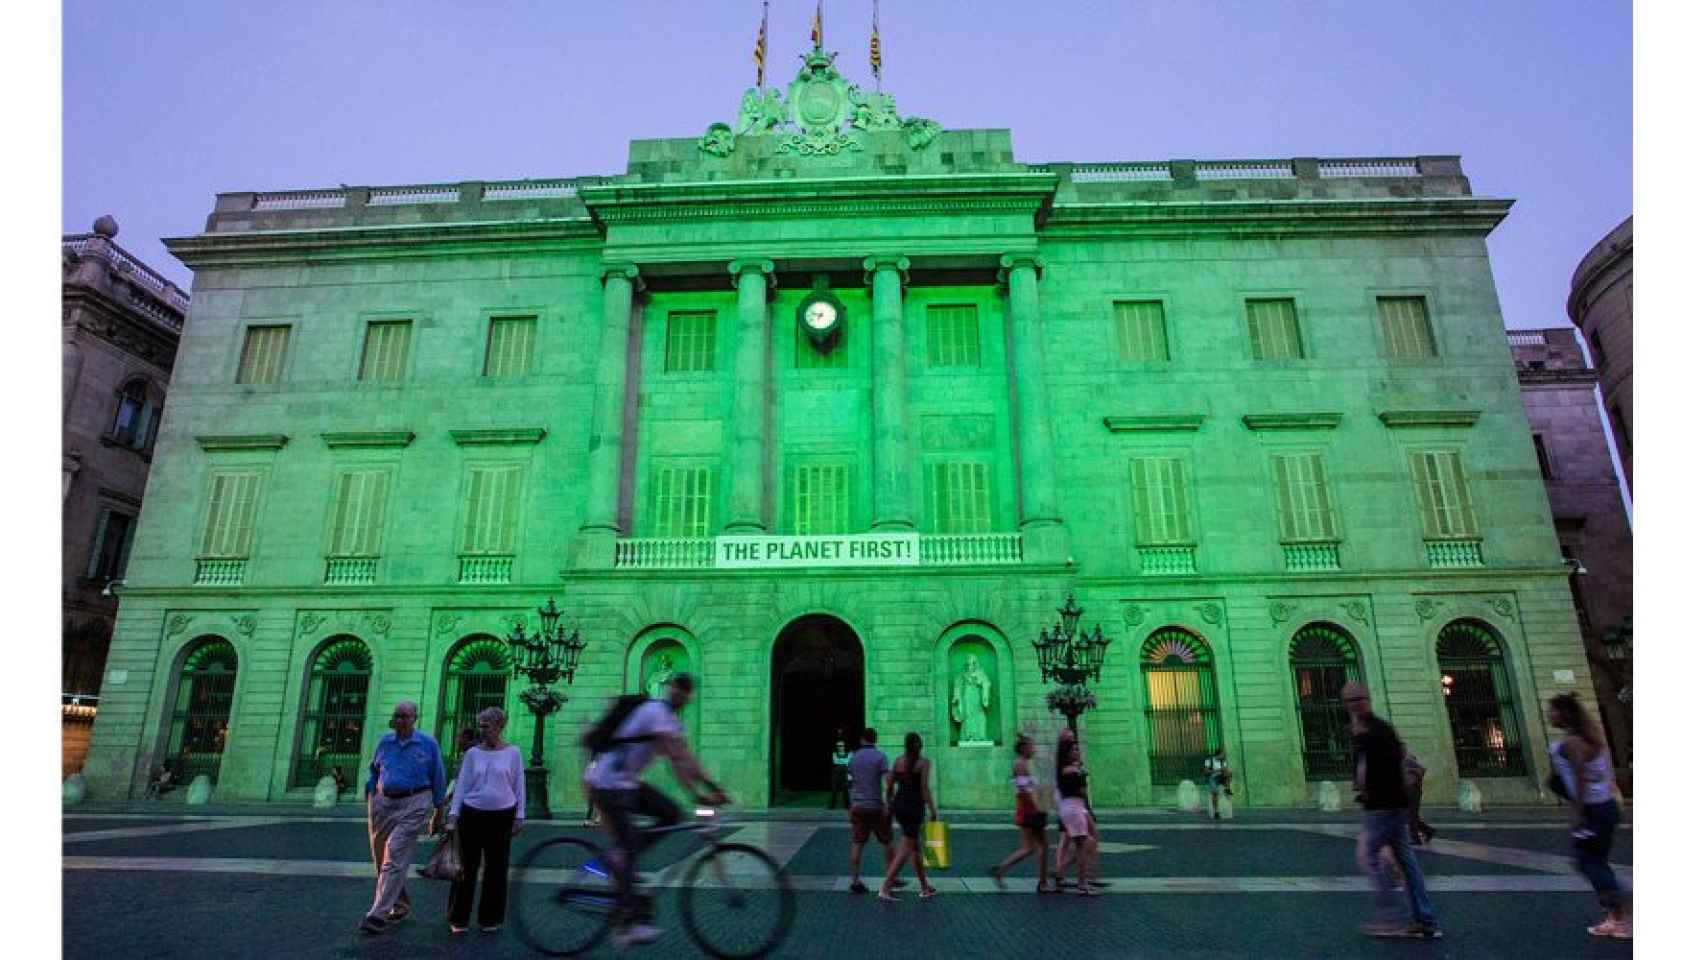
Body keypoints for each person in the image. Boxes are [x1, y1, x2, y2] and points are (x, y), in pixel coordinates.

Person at [585, 674, 728, 948]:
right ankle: (626, 927)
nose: (681, 694)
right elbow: (680, 757)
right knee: (626, 850)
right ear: (669, 689)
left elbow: (683, 765)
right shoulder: (655, 711)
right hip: (607, 783)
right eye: (678, 688)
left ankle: (625, 856)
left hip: (627, 784)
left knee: (672, 813)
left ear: (689, 696)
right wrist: (705, 791)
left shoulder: (673, 722)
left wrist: (704, 790)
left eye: (686, 691)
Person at [1343, 682, 1441, 940]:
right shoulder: (1368, 730)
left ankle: (1389, 917)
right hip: (1391, 805)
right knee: (1407, 862)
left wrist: (1369, 790)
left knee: (1368, 856)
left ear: (1367, 699)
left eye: (1359, 698)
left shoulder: (1376, 731)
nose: (1355, 704)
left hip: (1383, 806)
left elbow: (1380, 769)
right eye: (1351, 700)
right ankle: (1425, 919)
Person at [1547, 692, 1630, 939]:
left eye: (1552, 711)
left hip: (1594, 810)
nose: (1549, 715)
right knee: (1593, 861)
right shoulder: (1590, 738)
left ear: (1565, 713)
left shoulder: (1574, 743)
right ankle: (1617, 916)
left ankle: (1622, 912)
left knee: (1589, 862)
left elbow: (1580, 777)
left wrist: (1578, 812)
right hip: (1604, 807)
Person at [360, 701, 447, 936]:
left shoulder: (428, 744)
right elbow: (374, 769)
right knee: (382, 859)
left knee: (394, 852)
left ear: (414, 718)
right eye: (397, 716)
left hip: (415, 801)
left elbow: (438, 775)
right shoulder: (384, 742)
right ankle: (399, 904)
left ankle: (377, 914)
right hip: (383, 802)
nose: (399, 720)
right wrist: (371, 790)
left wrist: (439, 809)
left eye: (404, 716)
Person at [445, 707, 524, 935]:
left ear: (499, 727)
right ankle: (458, 918)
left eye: (486, 726)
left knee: (496, 869)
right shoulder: (472, 754)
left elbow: (519, 785)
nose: (482, 731)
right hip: (472, 815)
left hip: (502, 816)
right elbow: (462, 786)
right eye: (480, 726)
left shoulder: (513, 753)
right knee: (465, 868)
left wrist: (520, 815)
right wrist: (453, 815)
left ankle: (490, 919)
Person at [877, 732, 939, 901]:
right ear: (920, 745)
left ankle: (924, 887)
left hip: (900, 806)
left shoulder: (898, 761)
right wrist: (933, 810)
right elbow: (924, 789)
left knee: (915, 848)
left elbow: (889, 783)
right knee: (905, 849)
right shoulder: (924, 763)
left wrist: (889, 802)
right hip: (914, 808)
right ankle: (885, 887)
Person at [845, 727, 905, 894]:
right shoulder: (880, 757)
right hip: (876, 806)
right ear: (875, 739)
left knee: (857, 843)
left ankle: (855, 880)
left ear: (861, 739)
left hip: (857, 806)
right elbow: (888, 782)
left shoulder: (853, 758)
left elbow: (849, 783)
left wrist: (851, 804)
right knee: (887, 842)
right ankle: (891, 878)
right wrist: (889, 803)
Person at [990, 734, 1050, 892]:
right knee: (1041, 846)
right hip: (1029, 811)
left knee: (1030, 848)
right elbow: (1024, 791)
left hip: (1026, 810)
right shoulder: (1021, 765)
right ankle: (1042, 883)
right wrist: (1037, 807)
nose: (1034, 749)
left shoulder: (1022, 763)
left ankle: (1001, 870)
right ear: (1024, 749)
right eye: (1031, 746)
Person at [1053, 739, 1100, 895]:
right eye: (1074, 750)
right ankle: (1081, 884)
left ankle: (1062, 872)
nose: (1078, 752)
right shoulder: (1073, 771)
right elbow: (1082, 793)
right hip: (1075, 808)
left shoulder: (1065, 770)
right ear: (1067, 753)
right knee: (1084, 846)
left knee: (1087, 843)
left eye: (1077, 750)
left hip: (1073, 808)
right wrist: (1082, 776)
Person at [1402, 750, 1436, 845]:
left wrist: (1413, 776)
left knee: (1411, 815)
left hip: (1413, 791)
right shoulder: (1399, 761)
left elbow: (1422, 769)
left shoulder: (1408, 759)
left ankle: (1415, 838)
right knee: (1410, 815)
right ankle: (1428, 831)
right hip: (1406, 791)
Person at [1204, 748, 1234, 820]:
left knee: (1229, 772)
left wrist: (1223, 770)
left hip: (1221, 777)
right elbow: (1206, 771)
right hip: (1212, 777)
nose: (1225, 756)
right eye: (1223, 754)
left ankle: (1227, 788)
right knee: (1215, 793)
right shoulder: (1209, 760)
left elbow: (1225, 771)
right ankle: (1216, 811)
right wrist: (1218, 770)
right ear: (1219, 754)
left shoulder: (1223, 761)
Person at [827, 739, 852, 809]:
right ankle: (832, 805)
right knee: (834, 790)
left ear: (844, 746)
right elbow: (836, 761)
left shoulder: (849, 753)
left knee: (846, 790)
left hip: (845, 774)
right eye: (838, 746)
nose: (839, 747)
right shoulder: (834, 754)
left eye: (841, 746)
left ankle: (847, 805)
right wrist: (844, 761)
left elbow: (848, 762)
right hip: (836, 775)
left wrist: (842, 761)